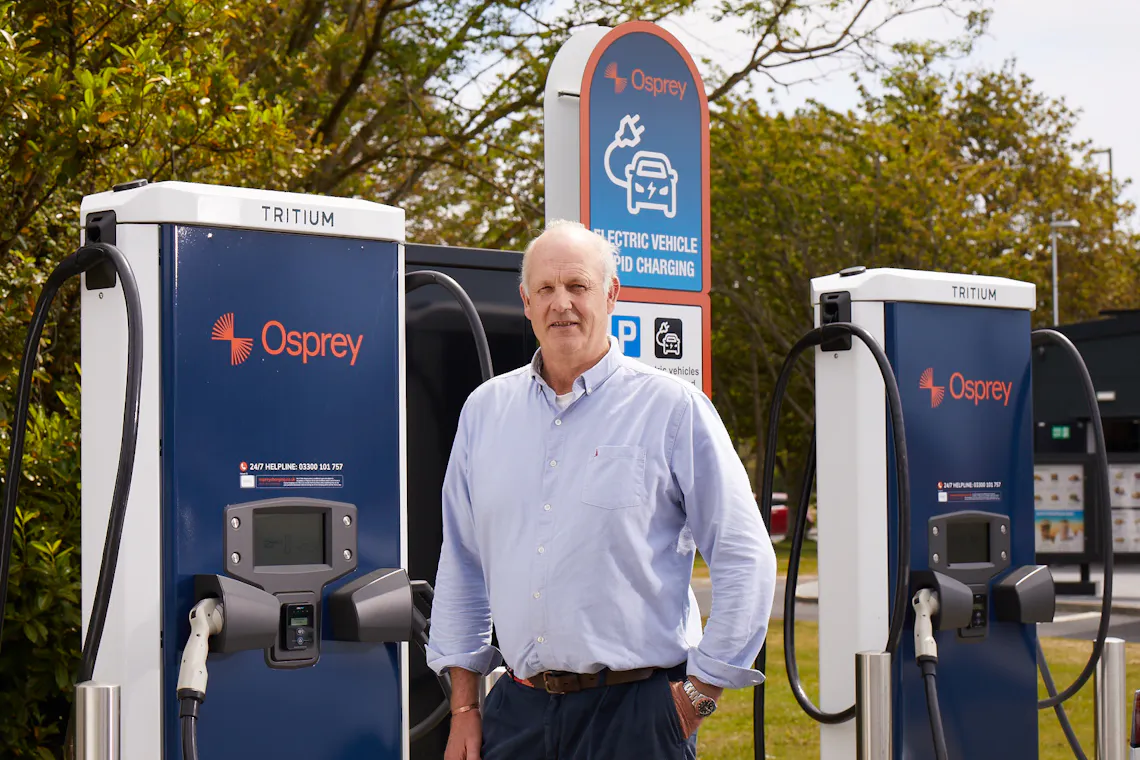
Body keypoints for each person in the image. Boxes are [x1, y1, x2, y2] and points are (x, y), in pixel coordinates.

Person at [425, 220, 777, 760]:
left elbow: (743, 555)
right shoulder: (485, 413)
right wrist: (466, 710)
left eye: (577, 286)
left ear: (611, 294)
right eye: (545, 289)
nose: (560, 303)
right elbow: (462, 566)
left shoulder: (671, 409)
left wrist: (698, 696)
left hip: (637, 717)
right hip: (516, 712)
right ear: (525, 300)